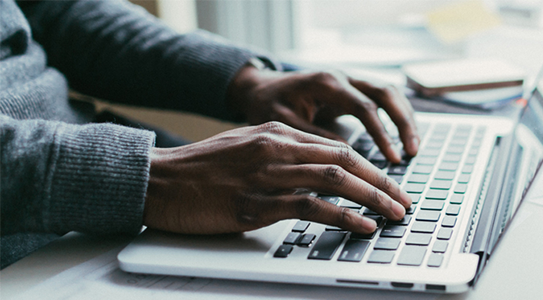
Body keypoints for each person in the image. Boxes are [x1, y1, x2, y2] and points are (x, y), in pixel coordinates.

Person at [0, 0, 419, 268]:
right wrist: (143, 179)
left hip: (116, 185)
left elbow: (54, 11)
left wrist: (248, 82)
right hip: (25, 251)